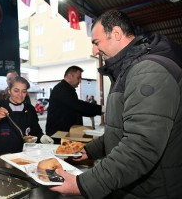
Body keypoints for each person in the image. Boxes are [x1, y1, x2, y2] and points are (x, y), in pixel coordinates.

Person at [50, 10, 182, 198]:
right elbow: (120, 131)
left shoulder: (147, 71)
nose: (94, 51)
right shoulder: (128, 70)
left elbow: (140, 147)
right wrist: (88, 151)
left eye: (96, 42)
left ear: (117, 34)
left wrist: (83, 184)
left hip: (153, 190)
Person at [0, 76, 53, 156]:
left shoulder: (30, 109)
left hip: (23, 154)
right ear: (9, 90)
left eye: (24, 91)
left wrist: (42, 136)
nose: (20, 95)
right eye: (16, 91)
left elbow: (35, 129)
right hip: (0, 155)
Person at [45, 66, 103, 143]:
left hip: (67, 132)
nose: (80, 81)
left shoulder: (67, 89)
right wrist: (101, 109)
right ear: (69, 76)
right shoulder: (61, 89)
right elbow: (77, 106)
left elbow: (76, 108)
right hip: (59, 134)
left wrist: (96, 111)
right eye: (78, 78)